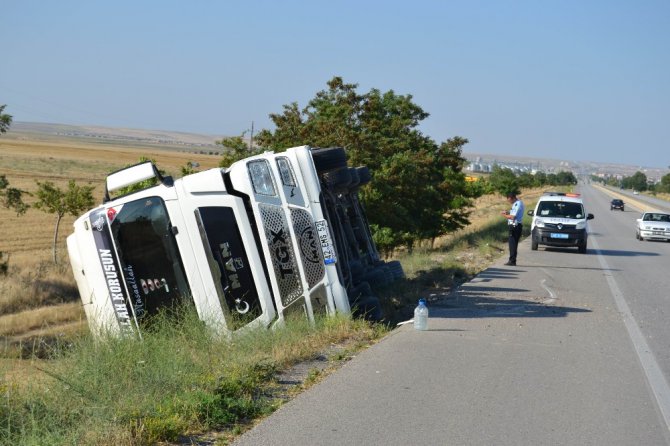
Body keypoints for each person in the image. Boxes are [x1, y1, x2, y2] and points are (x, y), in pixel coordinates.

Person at [501, 192, 524, 266]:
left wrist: (504, 215)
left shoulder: (517, 204)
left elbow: (513, 217)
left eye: (509, 200)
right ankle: (512, 260)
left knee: (512, 244)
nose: (509, 202)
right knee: (512, 244)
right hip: (515, 226)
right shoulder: (516, 204)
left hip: (515, 226)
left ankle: (512, 261)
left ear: (512, 198)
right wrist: (507, 212)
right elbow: (513, 212)